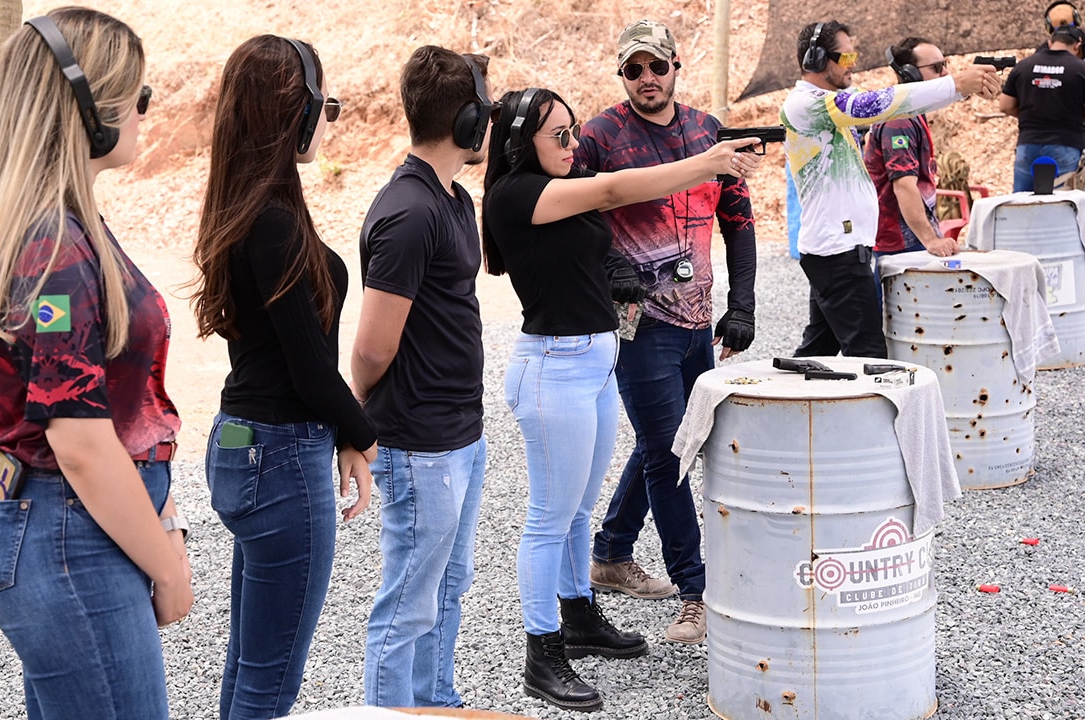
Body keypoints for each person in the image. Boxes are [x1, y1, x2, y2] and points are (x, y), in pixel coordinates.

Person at [0, 9, 192, 719]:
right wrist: (167, 563)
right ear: (90, 106)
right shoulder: (56, 248)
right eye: (137, 97)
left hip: (68, 528)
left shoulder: (61, 228)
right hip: (65, 530)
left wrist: (163, 516)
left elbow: (115, 410)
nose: (146, 114)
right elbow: (80, 443)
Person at [484, 87, 759, 710]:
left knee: (579, 511)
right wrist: (707, 161)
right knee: (548, 519)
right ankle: (541, 652)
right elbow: (616, 189)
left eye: (573, 129)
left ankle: (579, 616)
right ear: (519, 143)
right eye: (558, 135)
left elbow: (604, 218)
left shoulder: (558, 179)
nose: (572, 143)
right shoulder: (517, 194)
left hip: (590, 363)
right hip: (552, 368)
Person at [191, 36, 377, 719]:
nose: (328, 119)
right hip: (280, 455)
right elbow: (309, 368)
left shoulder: (254, 207)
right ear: (291, 114)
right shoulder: (270, 222)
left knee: (249, 670)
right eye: (322, 105)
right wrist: (364, 437)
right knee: (269, 685)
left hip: (246, 444)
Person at [573, 18, 760, 645]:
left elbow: (738, 219)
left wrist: (745, 305)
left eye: (657, 66)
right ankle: (695, 592)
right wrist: (611, 263)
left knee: (676, 437)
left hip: (699, 320)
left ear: (676, 66)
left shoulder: (707, 131)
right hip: (639, 324)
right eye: (633, 69)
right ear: (621, 75)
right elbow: (571, 214)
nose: (646, 79)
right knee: (667, 451)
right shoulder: (599, 135)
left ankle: (610, 552)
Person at [353, 46, 491, 709]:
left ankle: (434, 703)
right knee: (408, 603)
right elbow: (371, 351)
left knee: (449, 585)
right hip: (420, 444)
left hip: (461, 433)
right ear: (467, 121)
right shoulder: (410, 212)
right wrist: (357, 419)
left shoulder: (453, 200)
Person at [781, 20, 1000, 358]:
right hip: (837, 253)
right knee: (870, 357)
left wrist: (960, 87)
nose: (853, 62)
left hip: (838, 249)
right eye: (846, 55)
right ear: (817, 59)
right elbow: (877, 104)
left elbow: (898, 101)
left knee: (817, 353)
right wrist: (955, 83)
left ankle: (788, 407)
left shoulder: (830, 100)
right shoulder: (807, 104)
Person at [865, 37, 960, 258]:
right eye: (937, 67)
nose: (945, 73)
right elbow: (904, 186)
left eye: (945, 64)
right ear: (911, 74)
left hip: (908, 237)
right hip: (901, 242)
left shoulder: (911, 113)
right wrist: (931, 240)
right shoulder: (899, 121)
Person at [1001, 23, 1085, 191]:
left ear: (1050, 42)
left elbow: (1005, 106)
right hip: (1066, 144)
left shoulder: (1024, 66)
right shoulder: (1082, 69)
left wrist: (1031, 114)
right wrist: (1075, 115)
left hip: (1028, 144)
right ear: (1077, 45)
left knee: (1021, 202)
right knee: (1064, 204)